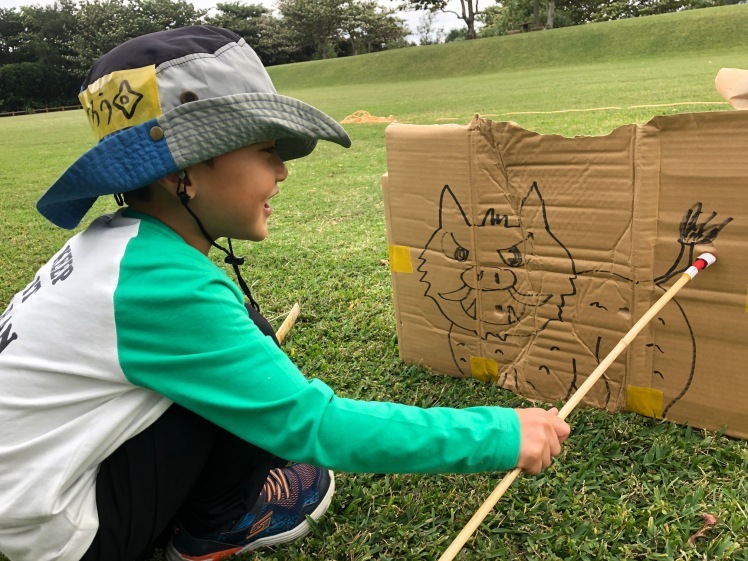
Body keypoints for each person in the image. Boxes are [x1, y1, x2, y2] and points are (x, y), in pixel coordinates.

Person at [0, 26, 570, 561]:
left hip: (48, 492)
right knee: (255, 389)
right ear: (188, 169)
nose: (282, 172)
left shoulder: (120, 247)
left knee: (247, 348)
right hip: (70, 533)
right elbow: (315, 426)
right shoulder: (162, 286)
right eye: (265, 149)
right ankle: (208, 533)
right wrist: (502, 434)